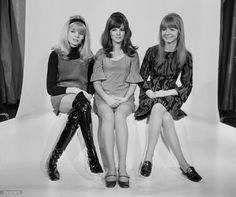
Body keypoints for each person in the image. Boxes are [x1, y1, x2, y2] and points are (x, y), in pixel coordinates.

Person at [134, 13, 202, 182]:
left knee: (160, 108)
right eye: (164, 29)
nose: (167, 32)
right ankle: (185, 165)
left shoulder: (186, 55)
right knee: (164, 116)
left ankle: (147, 159)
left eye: (172, 28)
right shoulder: (152, 51)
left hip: (171, 95)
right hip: (151, 94)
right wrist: (150, 92)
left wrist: (166, 93)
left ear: (180, 31)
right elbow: (141, 77)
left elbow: (187, 85)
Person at [46, 15, 103, 181]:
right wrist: (73, 89)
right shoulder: (55, 55)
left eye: (80, 33)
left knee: (80, 108)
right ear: (67, 32)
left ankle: (53, 160)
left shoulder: (88, 57)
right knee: (82, 103)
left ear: (85, 36)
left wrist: (88, 93)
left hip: (81, 99)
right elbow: (50, 88)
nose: (76, 35)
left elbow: (91, 84)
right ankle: (92, 154)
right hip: (61, 96)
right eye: (73, 31)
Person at [91, 12, 143, 188]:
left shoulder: (132, 54)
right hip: (103, 98)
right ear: (109, 32)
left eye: (121, 29)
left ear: (126, 31)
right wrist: (106, 98)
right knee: (107, 116)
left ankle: (122, 168)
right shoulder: (100, 53)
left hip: (125, 98)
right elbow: (96, 82)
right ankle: (111, 169)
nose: (118, 33)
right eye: (114, 29)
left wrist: (123, 99)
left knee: (120, 117)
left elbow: (134, 83)